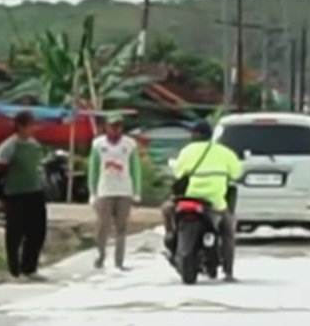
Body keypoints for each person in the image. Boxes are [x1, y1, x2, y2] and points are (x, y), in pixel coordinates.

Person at [162, 120, 243, 280]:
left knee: (166, 210)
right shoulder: (224, 152)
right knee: (227, 231)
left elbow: (178, 173)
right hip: (215, 203)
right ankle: (228, 271)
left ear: (195, 135)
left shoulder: (187, 151)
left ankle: (170, 235)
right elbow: (237, 173)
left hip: (187, 199)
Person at [0, 110, 48, 281]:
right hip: (15, 193)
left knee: (37, 231)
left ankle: (29, 267)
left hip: (34, 192)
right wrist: (0, 197)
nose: (33, 128)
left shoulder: (34, 145)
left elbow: (37, 168)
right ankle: (14, 270)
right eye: (30, 125)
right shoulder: (8, 146)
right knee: (15, 232)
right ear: (20, 126)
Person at [87, 113, 142, 271]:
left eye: (118, 126)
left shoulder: (129, 144)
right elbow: (94, 168)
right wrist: (92, 191)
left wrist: (137, 191)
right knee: (102, 226)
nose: (115, 129)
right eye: (112, 126)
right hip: (104, 190)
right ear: (106, 127)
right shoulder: (98, 144)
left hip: (124, 190)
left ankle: (119, 261)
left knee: (121, 228)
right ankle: (101, 255)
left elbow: (135, 168)